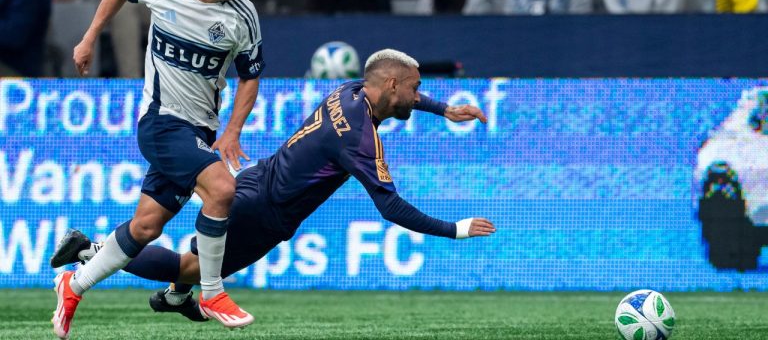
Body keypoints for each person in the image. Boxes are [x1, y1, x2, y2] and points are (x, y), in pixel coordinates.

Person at [51, 48, 496, 322]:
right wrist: (455, 229)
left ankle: (175, 298)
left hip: (257, 180)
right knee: (187, 266)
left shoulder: (349, 90)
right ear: (393, 84)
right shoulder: (359, 138)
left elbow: (400, 93)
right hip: (265, 213)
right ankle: (91, 252)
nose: (419, 95)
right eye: (416, 88)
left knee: (192, 264)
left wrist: (444, 109)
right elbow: (391, 208)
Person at [52, 0, 264, 338]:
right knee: (222, 190)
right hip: (161, 122)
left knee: (146, 227)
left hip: (200, 132)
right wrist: (90, 36)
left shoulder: (243, 16)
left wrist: (233, 131)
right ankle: (211, 291)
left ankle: (73, 284)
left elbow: (251, 76)